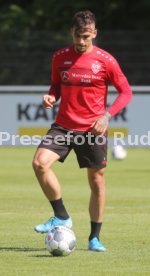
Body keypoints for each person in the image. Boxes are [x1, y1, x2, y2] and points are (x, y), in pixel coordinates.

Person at [32, 10, 132, 252]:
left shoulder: (106, 61)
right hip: (64, 125)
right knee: (39, 163)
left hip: (92, 129)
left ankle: (94, 238)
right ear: (71, 33)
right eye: (77, 35)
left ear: (94, 33)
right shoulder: (59, 57)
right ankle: (62, 216)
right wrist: (50, 97)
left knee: (97, 182)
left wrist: (106, 116)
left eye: (86, 36)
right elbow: (56, 85)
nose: (81, 41)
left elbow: (126, 92)